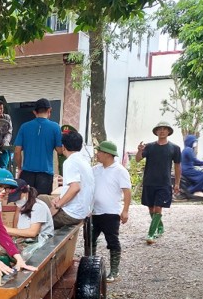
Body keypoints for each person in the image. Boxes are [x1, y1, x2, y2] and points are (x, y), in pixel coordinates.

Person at [90, 141, 131, 282]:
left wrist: (125, 210)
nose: (97, 154)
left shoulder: (120, 171)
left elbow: (127, 191)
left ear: (107, 154)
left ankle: (114, 271)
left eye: (99, 151)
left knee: (112, 241)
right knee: (89, 240)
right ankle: (89, 268)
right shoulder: (95, 169)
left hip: (111, 212)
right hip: (94, 212)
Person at [136, 121, 181, 244]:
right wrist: (139, 150)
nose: (162, 131)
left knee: (158, 208)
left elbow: (177, 166)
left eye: (164, 129)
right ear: (156, 132)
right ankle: (159, 226)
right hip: (149, 182)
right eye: (159, 129)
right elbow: (138, 159)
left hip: (164, 183)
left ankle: (151, 234)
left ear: (168, 132)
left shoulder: (174, 148)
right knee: (151, 209)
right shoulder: (149, 146)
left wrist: (177, 183)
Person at [40, 130, 94, 229]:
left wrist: (57, 206)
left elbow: (75, 188)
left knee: (37, 220)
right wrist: (60, 197)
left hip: (72, 214)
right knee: (41, 199)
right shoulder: (83, 161)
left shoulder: (70, 162)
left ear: (63, 147)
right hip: (83, 210)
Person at [13, 98, 64, 195]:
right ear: (49, 110)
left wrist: (20, 168)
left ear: (34, 112)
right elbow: (60, 150)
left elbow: (17, 151)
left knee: (27, 203)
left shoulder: (24, 127)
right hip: (46, 174)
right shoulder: (55, 127)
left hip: (27, 172)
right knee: (43, 202)